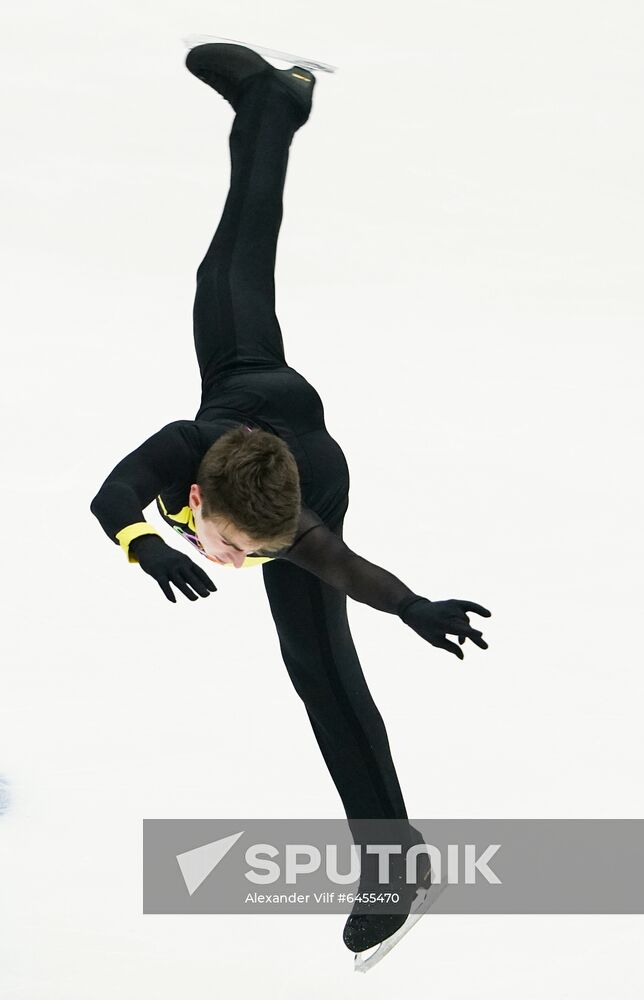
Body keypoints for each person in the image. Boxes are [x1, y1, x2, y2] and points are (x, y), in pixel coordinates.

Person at [89, 40, 491, 960]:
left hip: (312, 459)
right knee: (230, 257)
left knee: (319, 669)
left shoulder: (296, 525)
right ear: (194, 495)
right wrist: (140, 542)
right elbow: (112, 494)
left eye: (245, 555)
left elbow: (348, 568)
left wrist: (414, 607)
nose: (230, 564)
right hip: (247, 377)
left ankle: (396, 864)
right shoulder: (180, 449)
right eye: (230, 547)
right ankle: (272, 101)